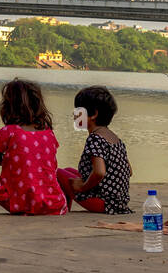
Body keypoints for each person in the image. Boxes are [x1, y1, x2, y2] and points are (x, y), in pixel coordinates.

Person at [0, 79, 68, 215]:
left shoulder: (8, 132)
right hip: (54, 203)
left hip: (22, 204)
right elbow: (37, 165)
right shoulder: (48, 133)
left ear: (7, 106)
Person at [57, 86, 134, 214]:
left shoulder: (95, 138)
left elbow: (99, 172)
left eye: (78, 111)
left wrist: (82, 186)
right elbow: (129, 171)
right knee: (68, 171)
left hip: (104, 203)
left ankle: (63, 209)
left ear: (93, 114)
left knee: (59, 173)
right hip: (118, 202)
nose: (74, 114)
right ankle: (66, 207)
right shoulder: (114, 138)